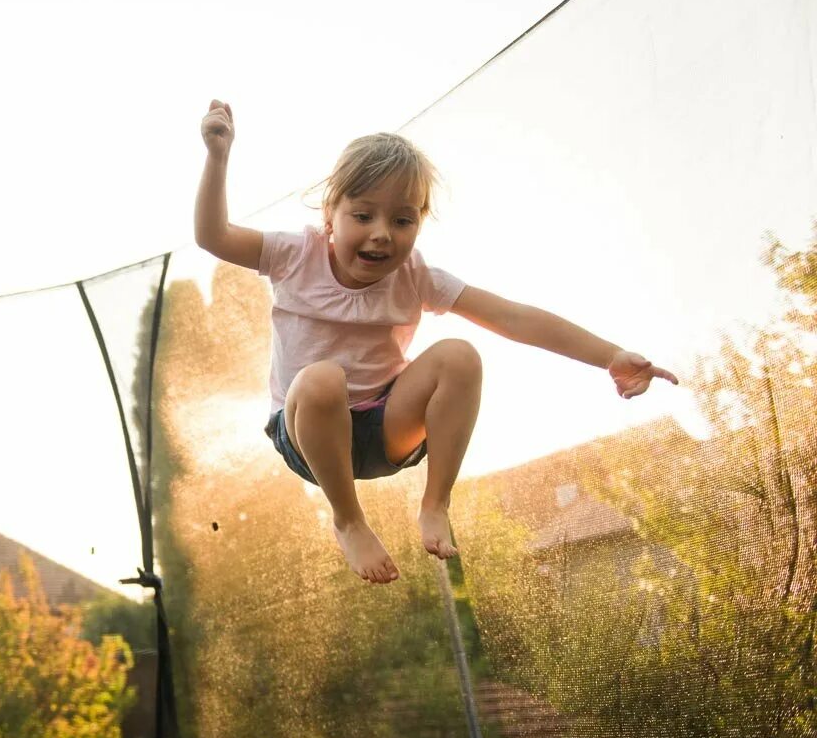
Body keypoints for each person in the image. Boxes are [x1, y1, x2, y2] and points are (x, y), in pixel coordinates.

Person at [195, 100, 676, 584]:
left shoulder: (416, 276)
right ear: (330, 215)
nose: (382, 234)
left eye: (402, 221)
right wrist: (218, 156)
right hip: (309, 433)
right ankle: (349, 519)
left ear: (419, 223)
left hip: (386, 429)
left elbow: (512, 317)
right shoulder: (293, 254)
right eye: (363, 215)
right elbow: (214, 236)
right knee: (324, 380)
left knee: (459, 356)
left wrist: (609, 356)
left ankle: (436, 501)